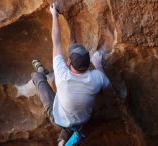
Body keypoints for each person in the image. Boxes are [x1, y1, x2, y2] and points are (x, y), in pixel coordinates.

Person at [31, 3, 110, 146]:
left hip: (60, 117)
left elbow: (56, 43)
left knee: (36, 77)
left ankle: (41, 71)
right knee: (70, 122)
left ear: (69, 64)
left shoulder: (62, 74)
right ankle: (64, 140)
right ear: (88, 65)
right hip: (83, 119)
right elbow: (106, 82)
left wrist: (54, 16)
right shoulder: (96, 78)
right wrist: (98, 65)